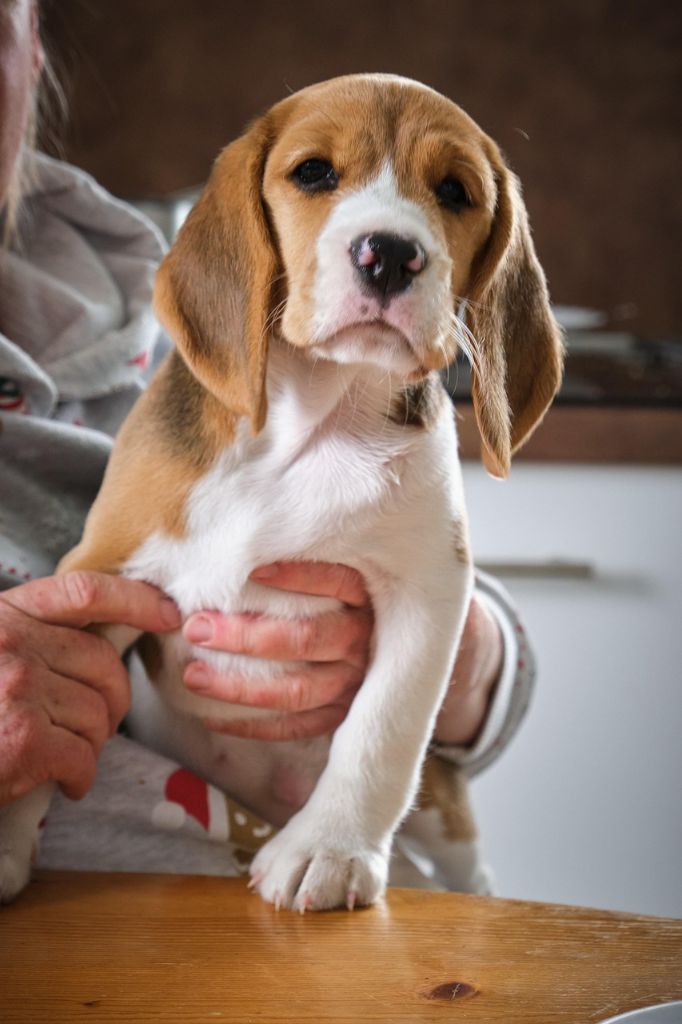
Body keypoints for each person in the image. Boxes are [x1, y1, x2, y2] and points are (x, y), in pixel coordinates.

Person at [0, 0, 534, 890]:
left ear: (34, 53)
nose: (392, 243)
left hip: (375, 894)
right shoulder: (201, 321)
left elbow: (453, 610)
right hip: (112, 931)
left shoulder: (149, 287)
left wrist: (465, 654)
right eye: (318, 172)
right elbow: (92, 595)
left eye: (453, 193)